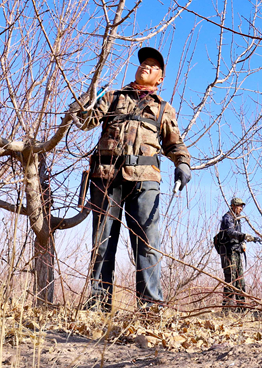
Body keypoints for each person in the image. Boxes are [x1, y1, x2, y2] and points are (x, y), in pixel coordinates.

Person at [71, 47, 191, 312]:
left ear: (160, 79)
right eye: (143, 63)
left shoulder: (163, 109)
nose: (145, 66)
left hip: (145, 181)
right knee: (102, 242)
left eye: (153, 65)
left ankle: (150, 307)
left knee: (147, 244)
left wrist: (183, 164)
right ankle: (98, 305)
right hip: (106, 176)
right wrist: (87, 96)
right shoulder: (112, 97)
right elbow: (84, 121)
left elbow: (174, 144)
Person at [216, 196, 257, 310]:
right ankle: (227, 309)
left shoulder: (237, 219)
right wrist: (244, 236)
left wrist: (242, 242)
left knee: (240, 281)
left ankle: (241, 308)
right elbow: (230, 232)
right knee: (231, 280)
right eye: (239, 206)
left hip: (236, 251)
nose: (241, 208)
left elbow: (236, 235)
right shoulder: (227, 218)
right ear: (233, 206)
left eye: (242, 206)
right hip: (229, 253)